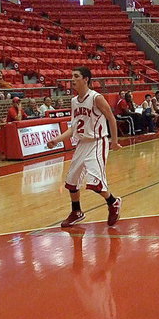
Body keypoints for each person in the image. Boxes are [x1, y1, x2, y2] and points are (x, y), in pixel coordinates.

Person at [45, 67, 123, 228]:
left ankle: (113, 202)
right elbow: (73, 127)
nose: (72, 79)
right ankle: (76, 212)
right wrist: (57, 139)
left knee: (95, 183)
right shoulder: (74, 101)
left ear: (86, 79)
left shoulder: (96, 98)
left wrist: (114, 141)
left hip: (97, 142)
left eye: (76, 76)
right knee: (71, 182)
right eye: (71, 76)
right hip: (82, 144)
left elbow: (111, 119)